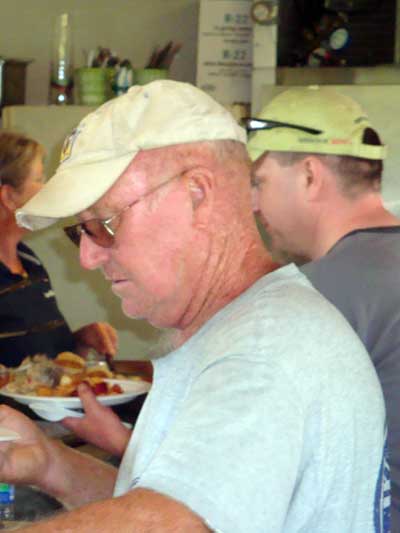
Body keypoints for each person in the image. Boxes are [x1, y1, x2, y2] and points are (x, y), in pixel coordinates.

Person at [0, 81, 388, 532]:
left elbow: (169, 524)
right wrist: (51, 465)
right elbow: (181, 505)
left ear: (196, 195)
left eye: (102, 225)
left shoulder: (261, 350)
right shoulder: (249, 328)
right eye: (79, 232)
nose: (87, 257)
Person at [247, 85, 397, 529]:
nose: (252, 205)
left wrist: (128, 447)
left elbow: (257, 468)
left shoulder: (313, 295)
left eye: (259, 182)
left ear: (310, 175)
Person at [0, 131, 118, 367]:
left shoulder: (29, 260)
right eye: (39, 179)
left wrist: (79, 341)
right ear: (9, 197)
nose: (47, 189)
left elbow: (42, 359)